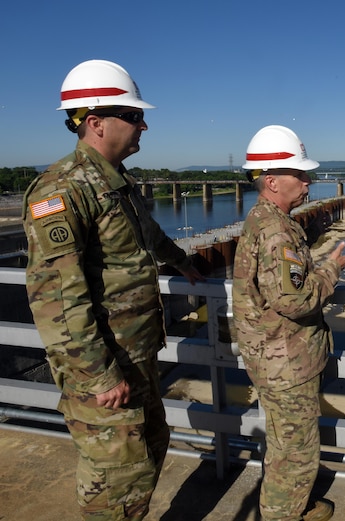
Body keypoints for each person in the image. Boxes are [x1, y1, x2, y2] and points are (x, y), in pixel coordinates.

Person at [23, 59, 204, 520]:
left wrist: (184, 263)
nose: (144, 125)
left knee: (149, 453)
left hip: (134, 358)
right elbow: (58, 300)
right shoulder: (62, 190)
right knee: (116, 485)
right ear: (95, 123)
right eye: (133, 116)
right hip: (104, 369)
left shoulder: (118, 184)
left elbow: (149, 237)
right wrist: (100, 376)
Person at [232, 125, 345, 521]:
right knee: (297, 452)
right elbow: (294, 299)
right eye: (299, 175)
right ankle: (284, 513)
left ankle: (292, 505)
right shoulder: (276, 231)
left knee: (285, 442)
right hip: (287, 362)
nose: (308, 181)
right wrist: (331, 270)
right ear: (272, 181)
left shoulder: (262, 219)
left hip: (270, 357)